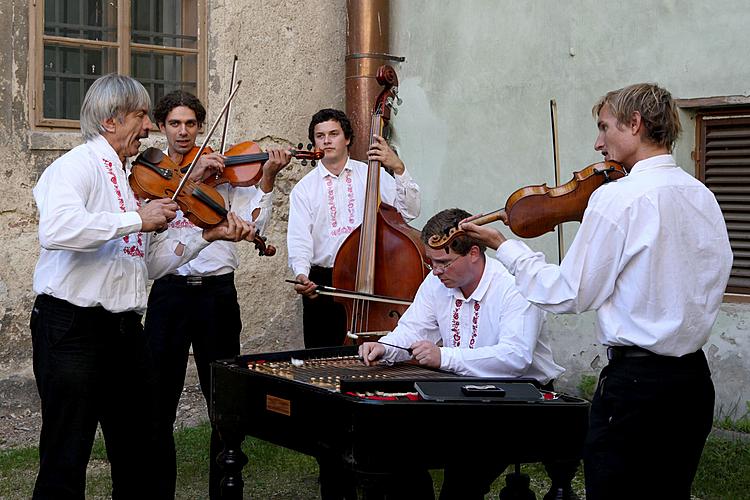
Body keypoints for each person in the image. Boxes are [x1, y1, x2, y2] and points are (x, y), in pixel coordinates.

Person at [461, 83, 733, 500]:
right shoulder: (703, 195)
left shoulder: (618, 197)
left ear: (635, 124)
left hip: (636, 387)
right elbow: (716, 274)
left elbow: (568, 293)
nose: (597, 142)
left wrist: (506, 248)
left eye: (604, 127)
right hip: (693, 383)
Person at [29, 74, 254, 499]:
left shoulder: (133, 179)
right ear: (110, 121)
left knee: (140, 449)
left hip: (124, 331)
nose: (149, 127)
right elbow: (56, 229)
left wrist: (206, 236)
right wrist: (138, 219)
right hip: (73, 328)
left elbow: (146, 263)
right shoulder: (75, 165)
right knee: (67, 452)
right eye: (140, 116)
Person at [359, 208, 575, 500]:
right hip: (460, 394)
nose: (435, 271)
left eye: (444, 263)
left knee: (461, 482)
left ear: (474, 252)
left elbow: (515, 357)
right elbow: (413, 329)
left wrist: (444, 357)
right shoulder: (436, 282)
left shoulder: (513, 286)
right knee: (396, 452)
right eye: (431, 263)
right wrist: (385, 347)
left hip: (520, 400)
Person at [143, 90, 291, 499]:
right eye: (174, 123)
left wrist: (267, 177)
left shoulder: (225, 172)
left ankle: (225, 490)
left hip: (216, 297)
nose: (183, 132)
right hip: (169, 294)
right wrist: (189, 178)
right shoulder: (152, 176)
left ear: (201, 127)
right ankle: (158, 491)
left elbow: (254, 220)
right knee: (159, 400)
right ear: (161, 127)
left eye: (190, 124)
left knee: (222, 399)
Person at [288, 108, 421, 348]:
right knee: (323, 359)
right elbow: (300, 240)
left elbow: (409, 212)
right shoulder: (304, 189)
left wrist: (399, 169)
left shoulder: (372, 174)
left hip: (375, 276)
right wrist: (301, 274)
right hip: (325, 282)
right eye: (320, 136)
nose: (327, 140)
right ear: (314, 142)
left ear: (347, 138)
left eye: (333, 133)